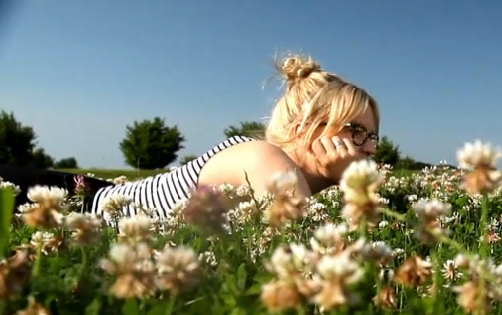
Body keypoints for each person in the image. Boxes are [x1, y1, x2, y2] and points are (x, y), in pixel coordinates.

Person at [0, 53, 379, 219]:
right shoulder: (264, 157)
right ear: (304, 128)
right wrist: (354, 183)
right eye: (355, 130)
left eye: (373, 136)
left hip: (97, 197)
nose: (369, 147)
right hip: (74, 200)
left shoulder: (311, 188)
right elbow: (302, 248)